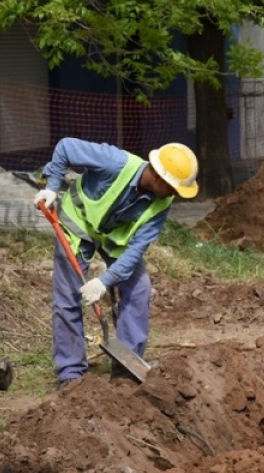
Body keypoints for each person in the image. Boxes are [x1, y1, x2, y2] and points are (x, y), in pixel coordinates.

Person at [34, 138, 199, 387]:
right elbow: (66, 147)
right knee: (68, 295)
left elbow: (136, 251)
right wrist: (52, 187)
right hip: (77, 223)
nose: (176, 195)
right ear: (158, 177)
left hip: (113, 239)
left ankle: (126, 370)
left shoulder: (162, 202)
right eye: (174, 188)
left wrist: (104, 282)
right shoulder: (114, 162)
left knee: (139, 288)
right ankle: (71, 375)